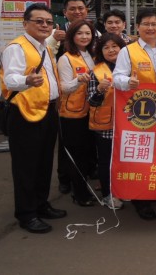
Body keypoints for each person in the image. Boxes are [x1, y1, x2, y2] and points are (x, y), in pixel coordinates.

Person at [1, 3, 67, 233]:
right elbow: (10, 80)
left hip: (47, 110)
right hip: (25, 113)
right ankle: (27, 214)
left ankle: (41, 204)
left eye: (48, 22)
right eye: (39, 21)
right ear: (25, 23)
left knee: (44, 162)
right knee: (26, 166)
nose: (45, 25)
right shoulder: (17, 47)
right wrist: (27, 81)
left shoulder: (44, 47)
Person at [113, 8, 156, 220]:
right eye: (146, 24)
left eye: (154, 24)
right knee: (141, 156)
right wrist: (128, 82)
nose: (150, 28)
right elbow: (116, 77)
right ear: (138, 27)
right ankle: (141, 199)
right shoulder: (128, 51)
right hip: (139, 114)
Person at [57, 19, 97, 207]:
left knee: (87, 153)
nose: (84, 37)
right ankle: (79, 193)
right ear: (72, 36)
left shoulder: (91, 55)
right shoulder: (66, 58)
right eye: (80, 33)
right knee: (76, 156)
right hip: (72, 115)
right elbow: (63, 87)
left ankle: (83, 187)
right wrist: (78, 80)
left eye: (88, 33)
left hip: (89, 112)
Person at [87, 33, 127, 210]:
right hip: (106, 125)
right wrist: (99, 90)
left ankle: (124, 190)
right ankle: (107, 195)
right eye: (106, 47)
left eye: (115, 46)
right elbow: (91, 101)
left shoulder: (130, 67)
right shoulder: (96, 71)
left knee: (125, 161)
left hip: (128, 125)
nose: (111, 50)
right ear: (100, 51)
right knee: (106, 161)